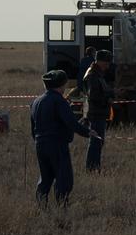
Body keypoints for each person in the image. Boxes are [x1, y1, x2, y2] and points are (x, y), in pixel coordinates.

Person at [30, 70, 98, 205]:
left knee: (45, 177)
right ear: (61, 85)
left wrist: (39, 141)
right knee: (64, 177)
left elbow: (33, 127)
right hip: (57, 144)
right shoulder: (59, 101)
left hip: (40, 144)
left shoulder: (36, 102)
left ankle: (41, 205)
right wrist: (87, 132)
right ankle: (62, 206)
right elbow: (70, 122)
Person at [81, 49, 114, 171]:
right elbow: (94, 96)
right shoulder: (93, 76)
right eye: (106, 62)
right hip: (95, 114)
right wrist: (108, 100)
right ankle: (92, 168)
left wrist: (112, 93)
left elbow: (102, 91)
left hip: (97, 112)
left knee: (98, 142)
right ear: (99, 61)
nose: (108, 65)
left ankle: (94, 167)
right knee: (96, 142)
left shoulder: (97, 74)